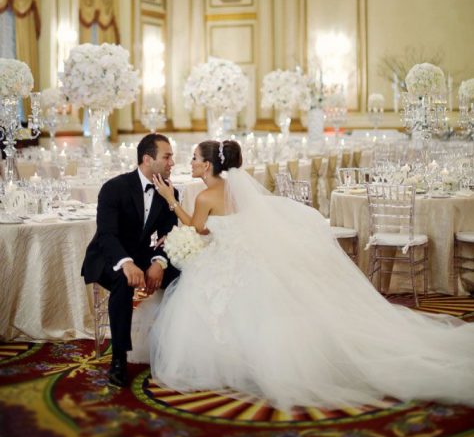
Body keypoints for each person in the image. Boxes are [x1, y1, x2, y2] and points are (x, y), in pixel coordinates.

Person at [149, 139, 474, 412]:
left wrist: (170, 200)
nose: (189, 163)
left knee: (213, 308)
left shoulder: (206, 196)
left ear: (207, 166)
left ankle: (241, 364)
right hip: (246, 258)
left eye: (193, 159)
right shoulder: (235, 192)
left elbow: (196, 226)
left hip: (225, 263)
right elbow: (222, 227)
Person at [81, 133, 179, 387]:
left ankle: (176, 348)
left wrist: (159, 262)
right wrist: (126, 262)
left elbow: (170, 235)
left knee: (182, 275)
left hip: (142, 253)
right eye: (167, 157)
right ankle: (119, 359)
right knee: (124, 284)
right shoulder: (114, 187)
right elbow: (107, 234)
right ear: (148, 159)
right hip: (108, 254)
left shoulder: (170, 191)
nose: (172, 163)